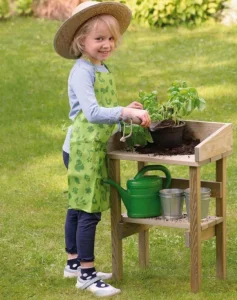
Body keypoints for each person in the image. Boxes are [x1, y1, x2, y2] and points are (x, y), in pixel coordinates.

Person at [53, 1, 151, 297]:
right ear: (80, 41)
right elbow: (94, 113)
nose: (107, 44)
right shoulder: (82, 71)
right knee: (88, 211)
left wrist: (125, 110)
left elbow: (104, 108)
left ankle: (72, 263)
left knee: (77, 207)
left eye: (111, 38)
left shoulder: (100, 67)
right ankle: (86, 274)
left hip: (92, 147)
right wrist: (122, 112)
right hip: (83, 148)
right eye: (99, 39)